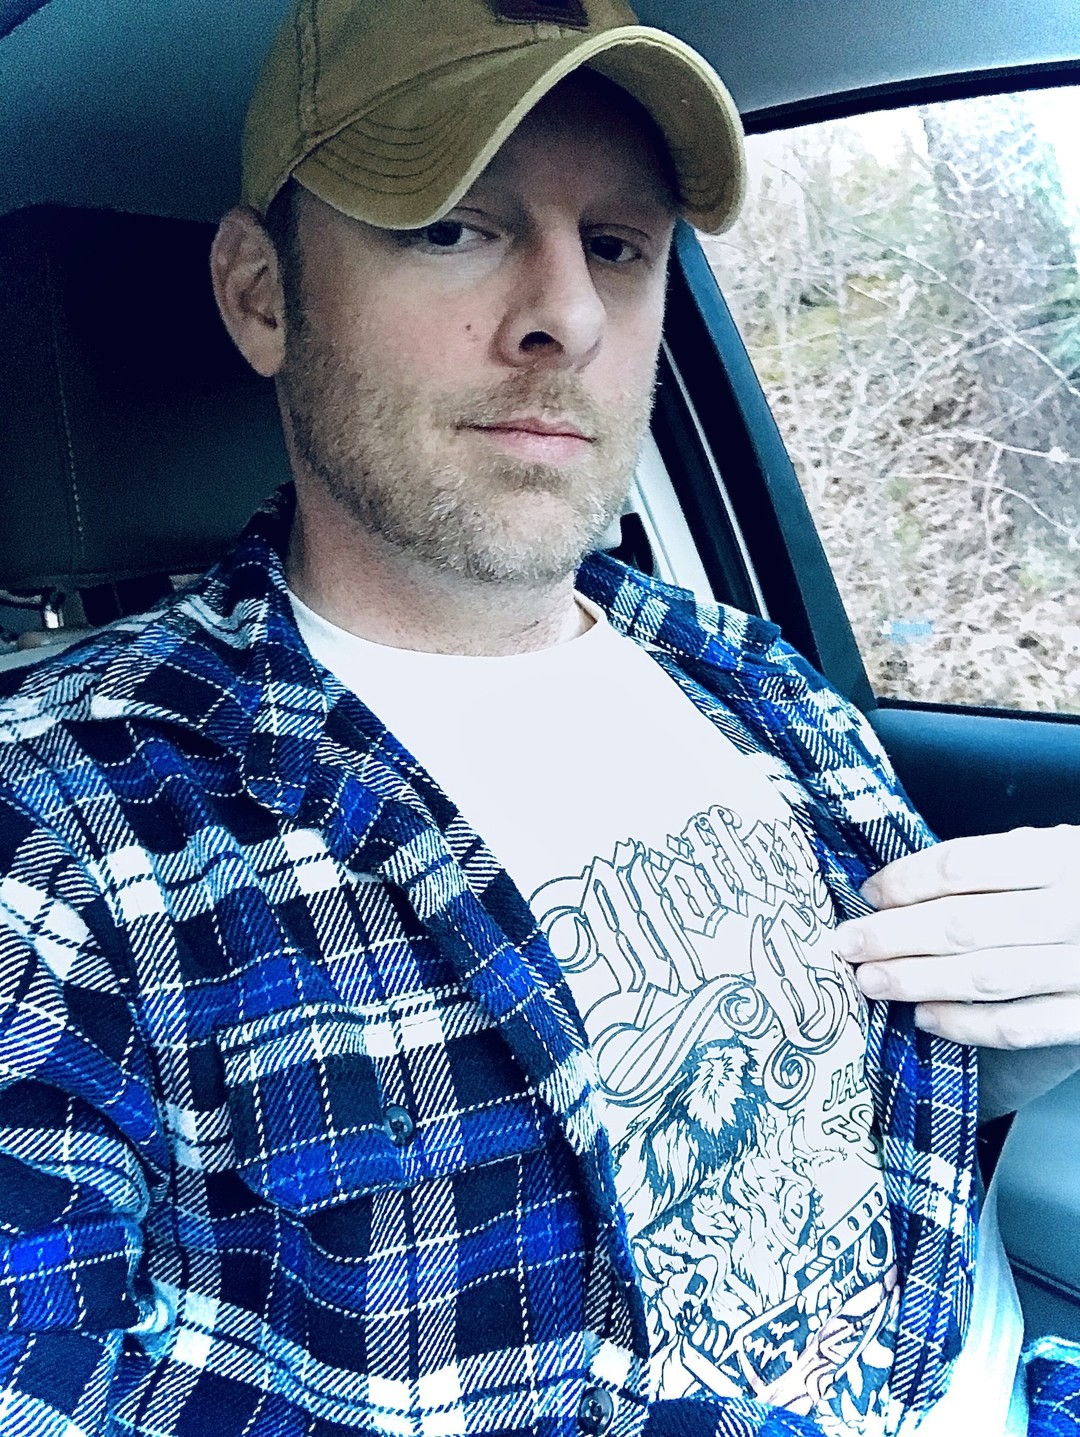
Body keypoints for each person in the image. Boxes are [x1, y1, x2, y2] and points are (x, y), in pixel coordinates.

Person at [0, 1, 1079, 1434]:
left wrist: (1036, 984)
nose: (567, 314)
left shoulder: (745, 671)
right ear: (261, 295)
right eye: (454, 225)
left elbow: (885, 1109)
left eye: (618, 246)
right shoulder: (68, 823)